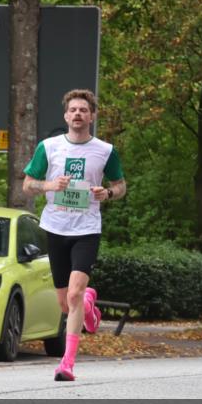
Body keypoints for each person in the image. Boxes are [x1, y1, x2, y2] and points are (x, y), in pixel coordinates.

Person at [22, 89, 126, 381]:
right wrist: (50, 185)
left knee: (74, 293)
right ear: (66, 116)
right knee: (66, 304)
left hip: (87, 228)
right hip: (55, 227)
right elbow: (27, 185)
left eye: (83, 110)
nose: (78, 114)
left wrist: (107, 193)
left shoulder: (105, 150)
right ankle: (89, 306)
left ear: (92, 116)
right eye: (73, 110)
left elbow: (120, 185)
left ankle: (67, 363)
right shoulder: (49, 147)